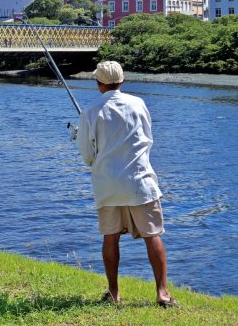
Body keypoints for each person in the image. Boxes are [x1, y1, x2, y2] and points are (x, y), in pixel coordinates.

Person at [76, 61, 178, 308]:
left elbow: (87, 155)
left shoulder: (90, 112)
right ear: (122, 81)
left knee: (110, 238)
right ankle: (162, 294)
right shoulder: (139, 104)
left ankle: (113, 293)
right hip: (140, 181)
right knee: (152, 235)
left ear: (99, 84)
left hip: (107, 184)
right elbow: (147, 139)